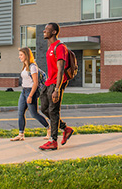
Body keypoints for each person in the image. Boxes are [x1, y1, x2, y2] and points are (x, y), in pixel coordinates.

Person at [38, 22, 74, 151]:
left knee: (53, 110)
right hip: (48, 82)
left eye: (47, 30)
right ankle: (65, 128)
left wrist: (57, 89)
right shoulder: (50, 47)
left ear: (54, 32)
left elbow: (60, 69)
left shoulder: (60, 47)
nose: (44, 31)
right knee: (44, 109)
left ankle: (53, 141)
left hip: (56, 83)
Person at [11, 47, 50, 141]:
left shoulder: (33, 67)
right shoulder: (25, 66)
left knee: (34, 114)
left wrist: (30, 95)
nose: (19, 57)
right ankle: (21, 134)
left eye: (21, 55)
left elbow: (35, 83)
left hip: (31, 91)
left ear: (26, 55)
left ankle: (49, 128)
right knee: (20, 113)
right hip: (23, 91)